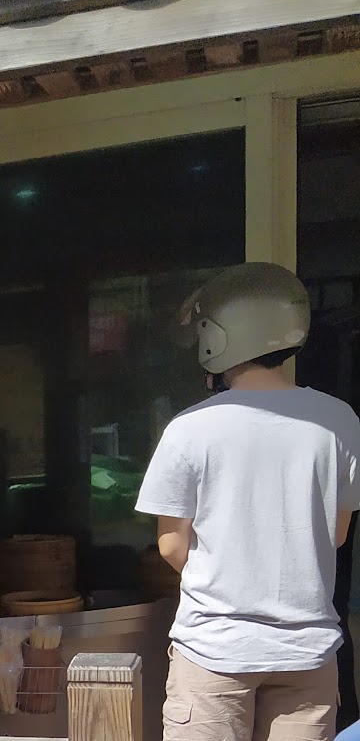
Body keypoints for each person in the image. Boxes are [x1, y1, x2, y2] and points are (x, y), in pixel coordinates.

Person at [137, 262, 360, 741]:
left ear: (217, 335)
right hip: (307, 656)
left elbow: (171, 546)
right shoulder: (339, 420)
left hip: (214, 652)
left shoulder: (189, 428)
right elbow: (337, 533)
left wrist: (235, 576)